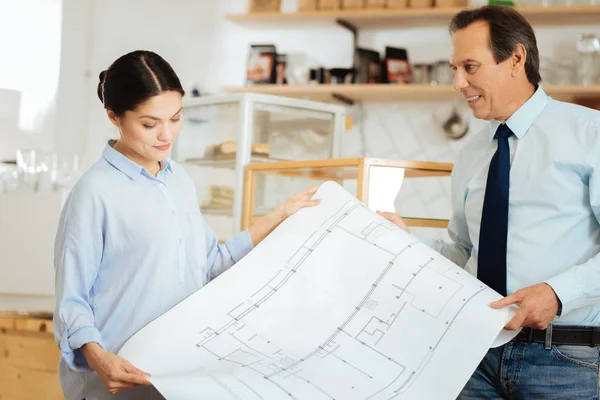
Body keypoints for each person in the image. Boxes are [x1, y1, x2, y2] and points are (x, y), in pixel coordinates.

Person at [53, 50, 320, 400]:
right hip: (115, 386)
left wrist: (279, 216)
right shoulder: (93, 193)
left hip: (175, 381)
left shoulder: (179, 180)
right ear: (113, 116)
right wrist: (99, 358)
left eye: (176, 118)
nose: (166, 134)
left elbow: (210, 265)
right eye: (150, 124)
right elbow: (71, 301)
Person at [378, 5, 600, 399]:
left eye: (470, 66)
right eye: (454, 68)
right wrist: (403, 242)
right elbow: (463, 251)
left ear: (516, 58)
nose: (457, 82)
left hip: (565, 360)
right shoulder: (470, 154)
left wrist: (558, 292)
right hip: (473, 354)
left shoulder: (590, 135)